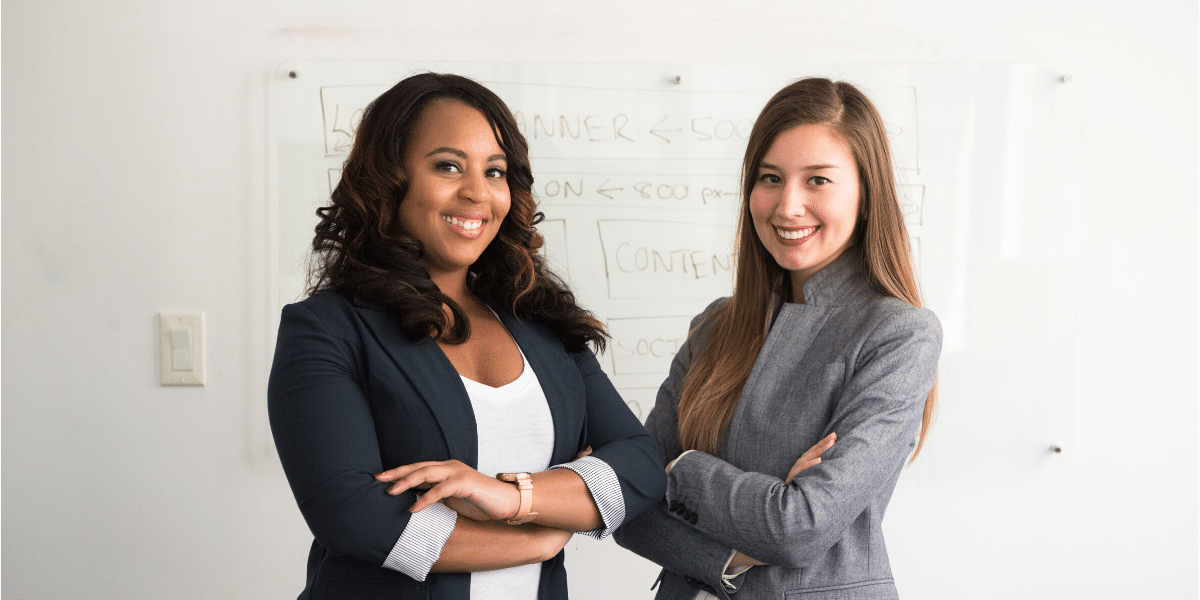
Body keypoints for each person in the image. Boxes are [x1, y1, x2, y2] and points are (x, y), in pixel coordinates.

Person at [268, 72, 666, 600]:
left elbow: (640, 466)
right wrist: (542, 536)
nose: (478, 193)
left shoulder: (542, 325)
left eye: (495, 171)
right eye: (448, 166)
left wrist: (509, 498)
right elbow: (355, 517)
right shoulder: (328, 329)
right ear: (390, 178)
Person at [612, 77, 942, 600]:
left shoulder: (898, 334)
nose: (788, 206)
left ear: (866, 191)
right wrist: (734, 555)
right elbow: (628, 508)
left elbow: (801, 525)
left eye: (817, 181)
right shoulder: (715, 327)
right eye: (770, 178)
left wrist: (680, 469)